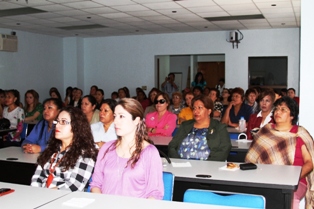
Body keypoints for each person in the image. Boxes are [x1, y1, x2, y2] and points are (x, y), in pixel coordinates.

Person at [245, 97, 314, 209]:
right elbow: (252, 159)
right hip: (266, 179)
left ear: (292, 115)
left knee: (289, 200)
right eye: (276, 109)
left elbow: (309, 163)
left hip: (295, 182)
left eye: (283, 110)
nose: (278, 112)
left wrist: (292, 180)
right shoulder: (265, 131)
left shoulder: (299, 134)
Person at [90, 98, 164, 199]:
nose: (115, 121)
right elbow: (96, 184)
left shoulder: (149, 152)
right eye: (115, 116)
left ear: (136, 120)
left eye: (121, 116)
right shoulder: (106, 148)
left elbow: (154, 194)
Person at [31, 107, 98, 191]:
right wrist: (36, 192)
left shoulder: (86, 153)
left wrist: (48, 194)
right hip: (42, 194)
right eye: (57, 121)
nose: (57, 125)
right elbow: (37, 176)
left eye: (63, 122)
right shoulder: (51, 148)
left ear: (76, 126)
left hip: (64, 198)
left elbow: (75, 186)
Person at [168, 95, 231, 161]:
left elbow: (225, 148)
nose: (196, 111)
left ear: (209, 111)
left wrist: (210, 164)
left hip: (208, 167)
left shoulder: (219, 127)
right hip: (181, 165)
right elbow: (172, 146)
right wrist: (177, 161)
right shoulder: (185, 125)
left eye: (200, 108)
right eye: (194, 108)